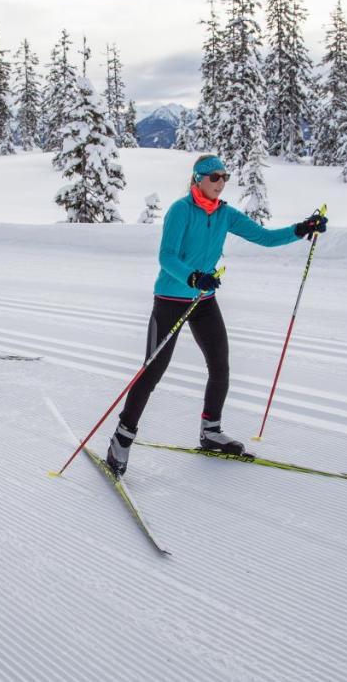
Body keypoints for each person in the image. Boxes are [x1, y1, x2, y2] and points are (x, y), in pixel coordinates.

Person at [104, 154, 328, 477]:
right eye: (214, 177)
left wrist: (302, 229)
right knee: (153, 370)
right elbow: (166, 257)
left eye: (225, 177)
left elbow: (264, 237)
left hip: (204, 299)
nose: (221, 183)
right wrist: (193, 277)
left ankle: (210, 431)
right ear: (198, 179)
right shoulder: (181, 211)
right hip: (170, 297)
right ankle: (121, 439)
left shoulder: (224, 214)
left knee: (219, 364)